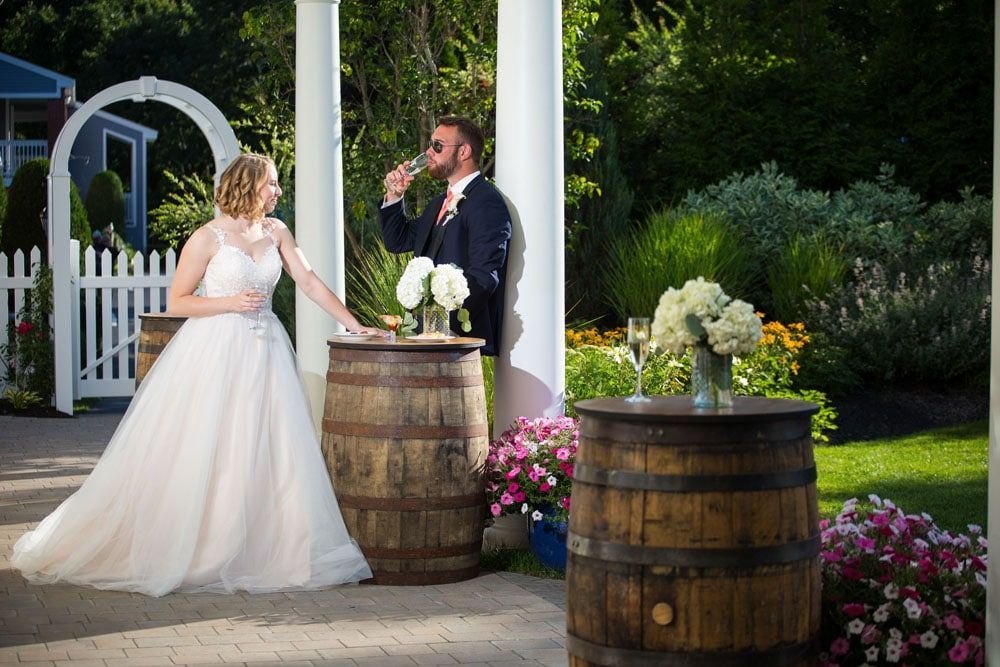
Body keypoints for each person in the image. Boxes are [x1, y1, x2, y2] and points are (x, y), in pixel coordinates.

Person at [11, 153, 377, 596]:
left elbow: (310, 281)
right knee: (209, 446)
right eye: (271, 184)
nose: (277, 191)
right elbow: (177, 303)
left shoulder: (277, 231)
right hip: (215, 350)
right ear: (246, 185)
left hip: (267, 351)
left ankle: (265, 547)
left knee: (268, 446)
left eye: (277, 184)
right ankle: (203, 547)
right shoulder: (207, 238)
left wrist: (354, 324)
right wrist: (228, 303)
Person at [380, 115, 511, 356]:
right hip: (426, 338)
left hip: (457, 341)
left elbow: (484, 277)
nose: (429, 152)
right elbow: (397, 241)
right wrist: (394, 195)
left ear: (464, 152)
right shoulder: (439, 203)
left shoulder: (487, 203)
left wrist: (443, 323)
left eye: (438, 146)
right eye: (430, 145)